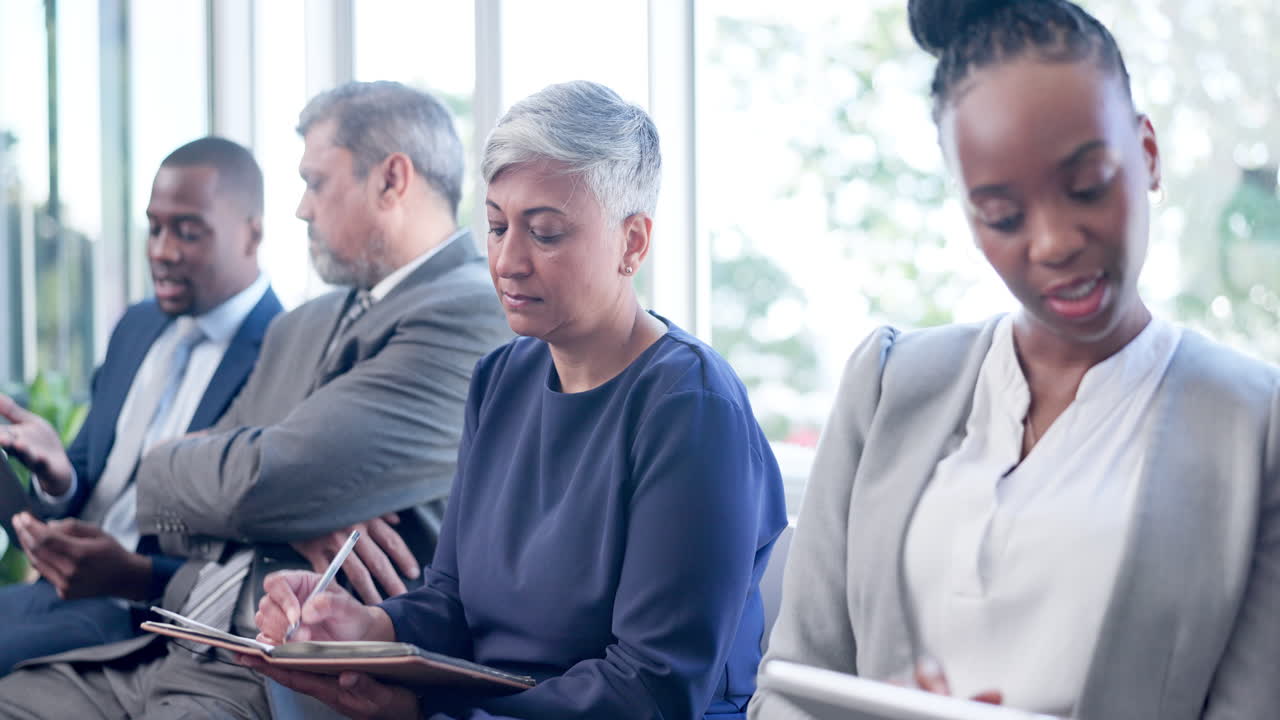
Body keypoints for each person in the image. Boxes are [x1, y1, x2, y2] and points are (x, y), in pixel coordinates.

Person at [751, 1, 1280, 718]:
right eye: (1003, 214)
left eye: (1088, 184)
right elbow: (789, 687)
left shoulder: (1256, 428)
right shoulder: (886, 385)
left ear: (1149, 154)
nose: (1054, 241)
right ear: (971, 219)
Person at [247, 80, 789, 720]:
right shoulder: (501, 378)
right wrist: (366, 626)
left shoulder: (690, 406)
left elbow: (652, 689)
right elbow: (452, 602)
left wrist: (428, 716)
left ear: (633, 243)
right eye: (499, 226)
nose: (508, 261)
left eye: (547, 233)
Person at [0, 81, 510, 719]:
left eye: (316, 183)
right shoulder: (306, 324)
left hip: (283, 673)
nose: (301, 209)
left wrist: (263, 488)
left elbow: (266, 480)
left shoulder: (470, 312)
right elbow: (211, 509)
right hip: (180, 641)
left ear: (391, 180)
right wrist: (288, 502)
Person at [0, 136, 283, 675]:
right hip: (61, 597)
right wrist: (57, 475)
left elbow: (251, 547)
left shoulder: (284, 350)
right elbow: (88, 475)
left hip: (147, 616)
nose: (161, 250)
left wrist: (131, 572)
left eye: (187, 231)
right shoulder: (137, 326)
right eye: (154, 227)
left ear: (252, 232)